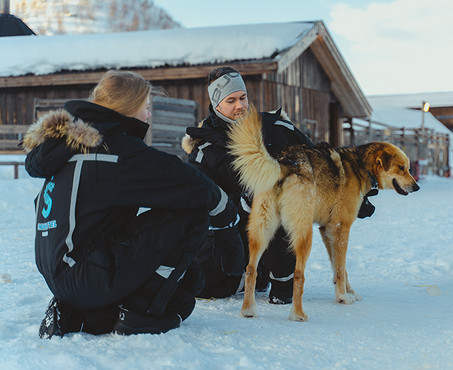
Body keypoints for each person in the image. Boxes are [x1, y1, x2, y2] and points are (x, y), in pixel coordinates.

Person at [23, 70, 243, 338]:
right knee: (192, 217)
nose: (148, 116)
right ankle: (139, 313)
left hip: (60, 272)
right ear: (128, 108)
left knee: (185, 286)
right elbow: (188, 182)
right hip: (83, 274)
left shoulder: (68, 145)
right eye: (146, 108)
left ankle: (80, 315)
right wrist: (226, 221)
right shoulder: (111, 149)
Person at [183, 66, 377, 304]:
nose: (240, 106)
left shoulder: (275, 130)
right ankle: (247, 274)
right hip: (233, 233)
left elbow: (320, 165)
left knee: (280, 193)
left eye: (242, 98)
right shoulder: (205, 151)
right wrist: (243, 202)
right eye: (231, 100)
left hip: (282, 226)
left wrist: (357, 196)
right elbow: (201, 204)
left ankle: (283, 282)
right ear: (216, 105)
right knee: (207, 285)